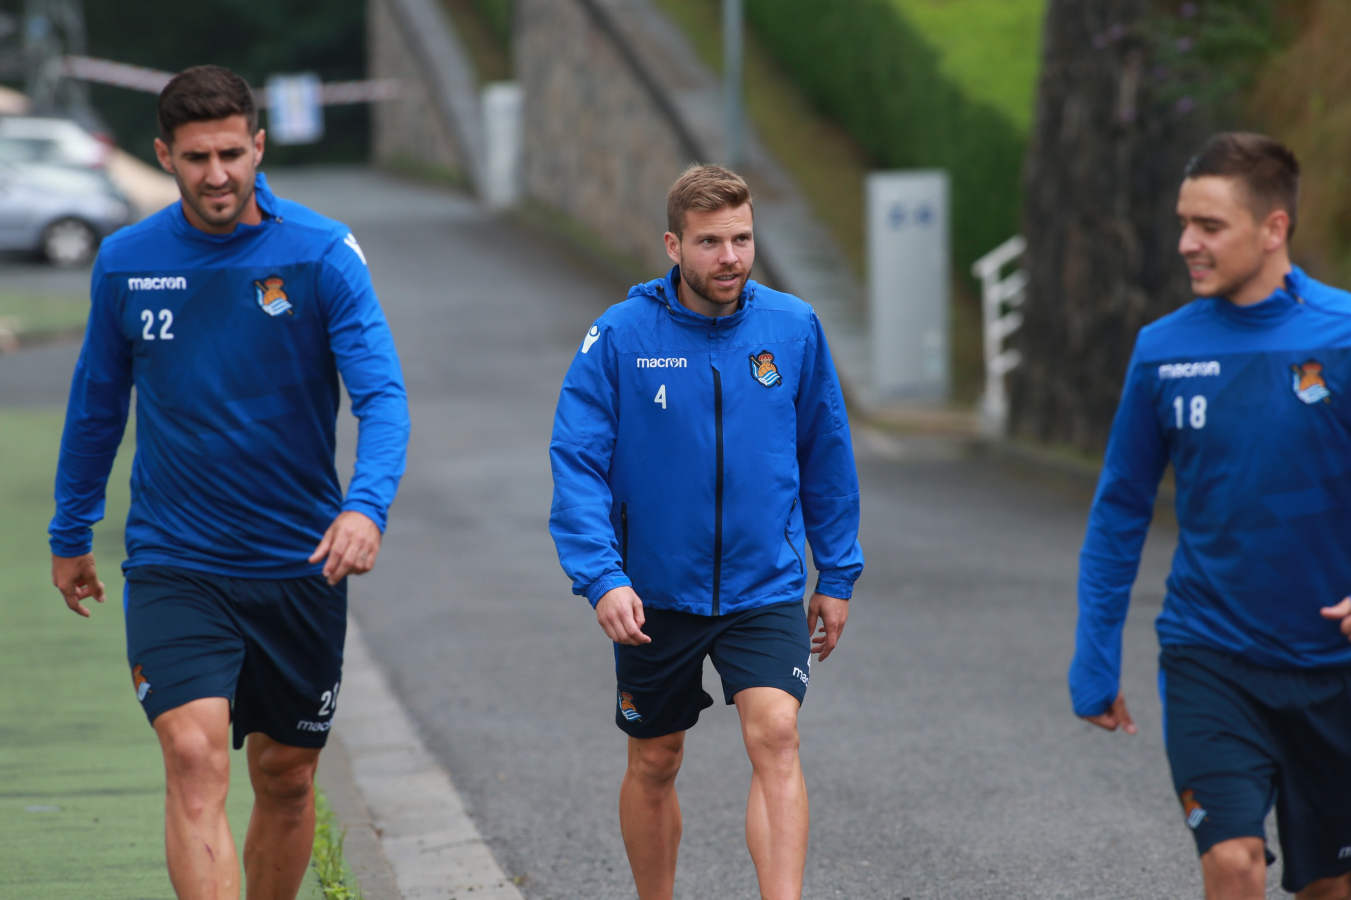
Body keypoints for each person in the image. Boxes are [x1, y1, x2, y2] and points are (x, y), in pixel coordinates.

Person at [48, 65, 409, 899]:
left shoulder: (320, 252)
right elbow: (97, 406)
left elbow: (382, 398)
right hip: (177, 561)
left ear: (259, 146)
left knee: (284, 777)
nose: (217, 175)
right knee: (194, 756)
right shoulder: (127, 264)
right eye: (196, 157)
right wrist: (71, 533)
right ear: (163, 156)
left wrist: (365, 506)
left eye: (231, 155)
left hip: (300, 563)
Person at [548, 163, 864, 900]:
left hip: (764, 583)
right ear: (673, 245)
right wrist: (603, 577)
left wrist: (836, 575)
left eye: (742, 239)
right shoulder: (622, 336)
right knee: (655, 760)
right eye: (710, 242)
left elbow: (827, 457)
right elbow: (577, 464)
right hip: (655, 591)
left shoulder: (791, 328)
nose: (730, 257)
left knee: (775, 735)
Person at [1070, 132, 1351, 899]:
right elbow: (1120, 507)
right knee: (1233, 862)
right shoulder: (1162, 349)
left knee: (1328, 885)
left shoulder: (1342, 334)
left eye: (1209, 227)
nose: (1186, 243)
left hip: (1332, 669)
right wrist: (1094, 651)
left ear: (1273, 228)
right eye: (1183, 223)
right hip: (1209, 653)